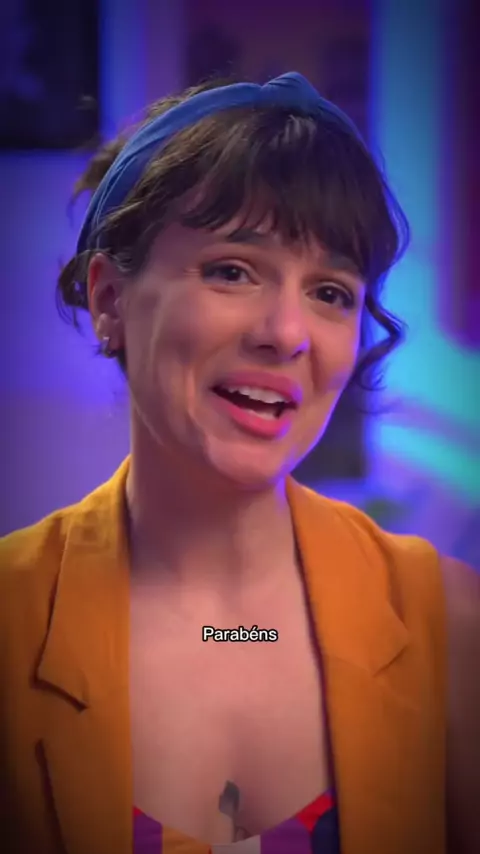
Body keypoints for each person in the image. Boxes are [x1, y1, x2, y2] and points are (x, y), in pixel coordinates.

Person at [0, 72, 478, 854]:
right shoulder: (11, 619)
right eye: (232, 270)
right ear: (110, 299)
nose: (286, 333)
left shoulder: (450, 627)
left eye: (331, 292)